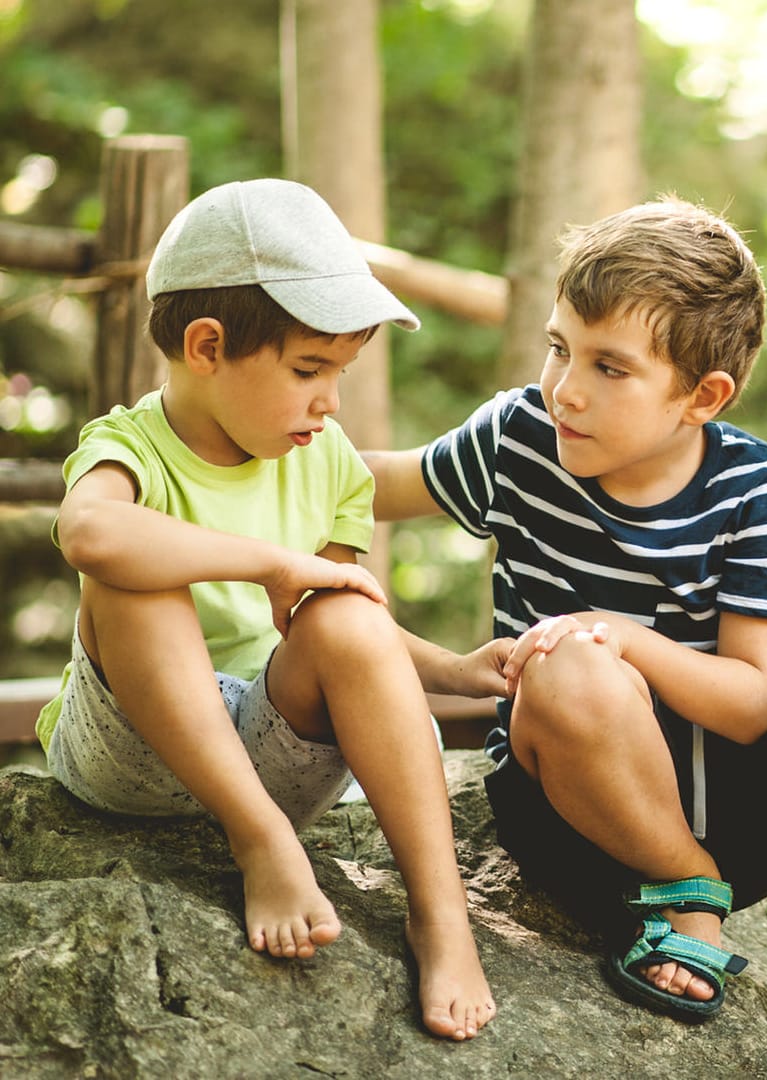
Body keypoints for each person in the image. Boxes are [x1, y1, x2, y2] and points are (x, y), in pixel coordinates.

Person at [365, 196, 767, 1078]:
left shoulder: (752, 485)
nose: (566, 387)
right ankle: (682, 892)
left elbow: (755, 705)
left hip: (729, 809)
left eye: (611, 367)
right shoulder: (519, 439)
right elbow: (369, 484)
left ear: (701, 396)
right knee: (570, 666)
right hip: (575, 820)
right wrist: (231, 439)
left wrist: (627, 638)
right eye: (559, 346)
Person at [36, 178, 500, 1042]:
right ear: (206, 346)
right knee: (132, 573)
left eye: (340, 374)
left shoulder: (329, 462)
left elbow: (343, 628)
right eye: (308, 370)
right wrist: (270, 563)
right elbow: (90, 534)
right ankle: (261, 845)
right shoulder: (128, 447)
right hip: (129, 752)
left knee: (343, 610)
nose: (330, 402)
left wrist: (451, 669)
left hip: (271, 747)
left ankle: (441, 915)